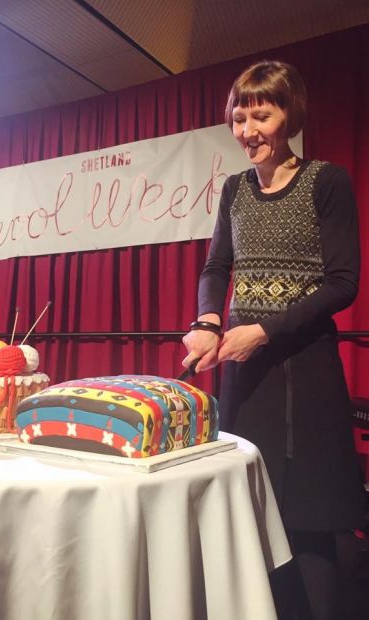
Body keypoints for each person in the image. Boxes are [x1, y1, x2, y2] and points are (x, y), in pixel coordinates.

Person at [182, 60, 364, 620]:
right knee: (252, 516)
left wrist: (262, 331)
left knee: (309, 524)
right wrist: (209, 321)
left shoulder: (327, 181)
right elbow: (215, 268)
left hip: (306, 371)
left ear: (290, 116)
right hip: (248, 372)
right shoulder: (234, 189)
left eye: (261, 115)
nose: (247, 130)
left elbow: (343, 284)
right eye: (240, 117)